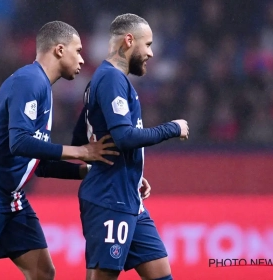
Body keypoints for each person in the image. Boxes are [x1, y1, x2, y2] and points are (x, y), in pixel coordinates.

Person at [0, 21, 119, 280]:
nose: (82, 59)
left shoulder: (43, 88)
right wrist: (80, 151)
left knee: (42, 271)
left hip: (10, 196)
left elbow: (39, 161)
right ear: (59, 49)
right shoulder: (29, 81)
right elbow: (20, 143)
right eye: (78, 50)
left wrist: (91, 171)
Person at [71, 14, 189, 280]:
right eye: (147, 45)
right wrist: (172, 128)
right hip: (109, 199)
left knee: (161, 274)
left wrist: (129, 171)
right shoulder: (111, 79)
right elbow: (124, 137)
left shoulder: (102, 81)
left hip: (128, 196)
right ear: (129, 41)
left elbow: (81, 137)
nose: (150, 52)